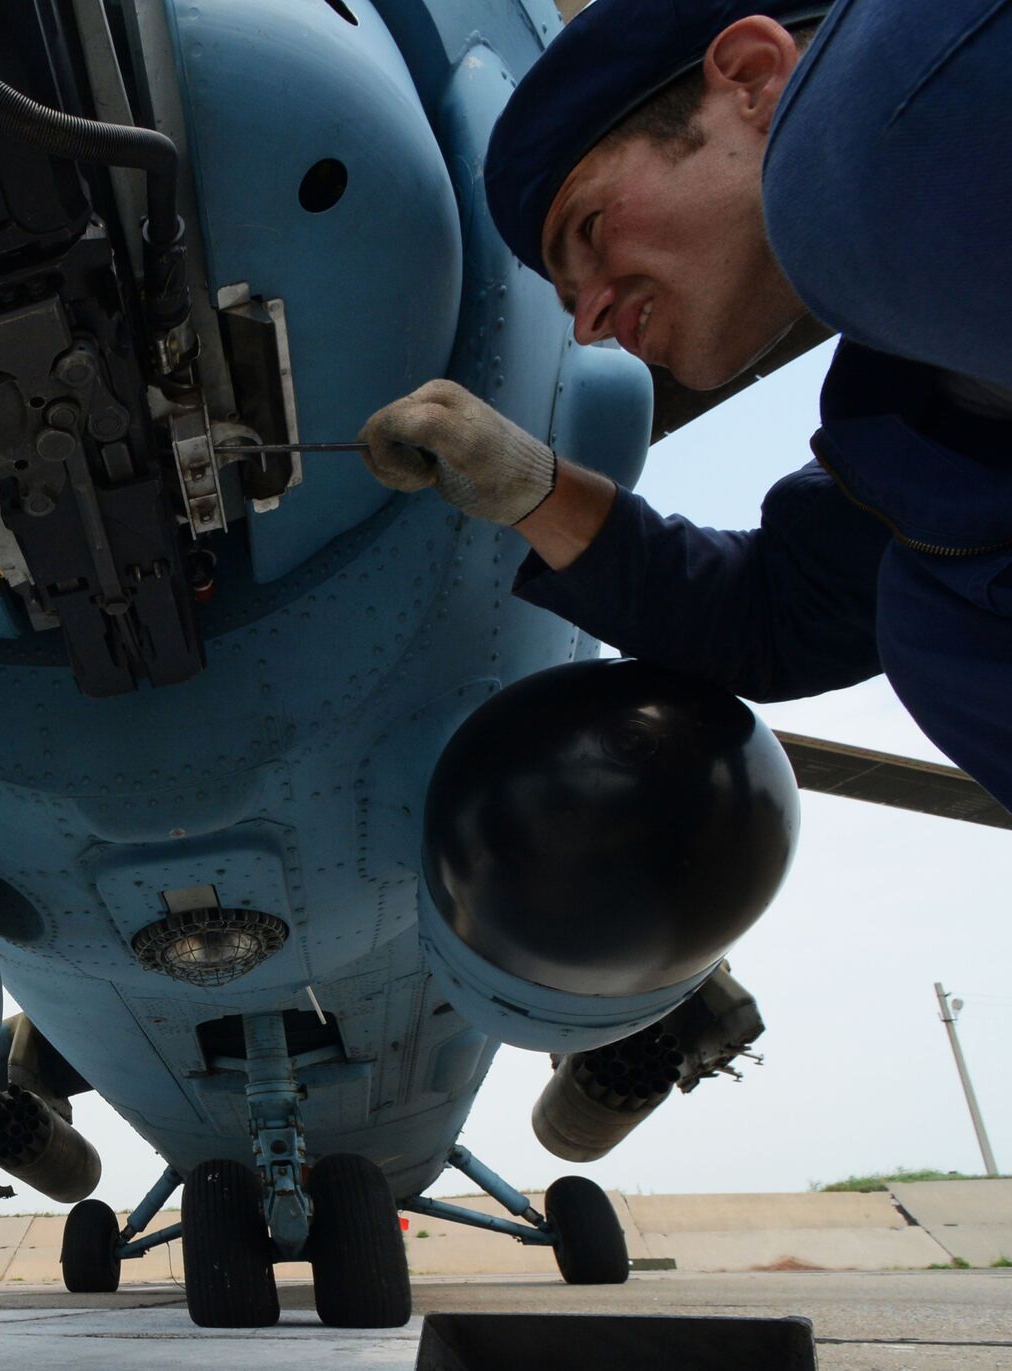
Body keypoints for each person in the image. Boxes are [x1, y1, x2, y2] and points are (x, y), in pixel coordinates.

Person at [356, 0, 1012, 807]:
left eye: (591, 227)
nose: (592, 320)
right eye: (572, 301)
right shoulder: (929, 431)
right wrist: (528, 484)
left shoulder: (887, 106)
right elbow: (774, 615)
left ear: (751, 78)